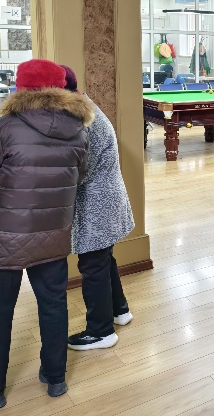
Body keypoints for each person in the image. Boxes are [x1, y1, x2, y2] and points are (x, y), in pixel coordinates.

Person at [0, 59, 92, 411]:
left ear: (20, 87)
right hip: (53, 231)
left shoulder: (3, 127)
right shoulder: (79, 130)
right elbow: (79, 176)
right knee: (53, 305)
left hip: (4, 234)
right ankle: (55, 379)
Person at [60, 66, 136, 351]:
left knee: (92, 264)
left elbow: (79, 171)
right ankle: (119, 310)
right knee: (103, 258)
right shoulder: (85, 107)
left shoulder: (83, 120)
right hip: (106, 198)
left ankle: (101, 331)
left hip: (97, 202)